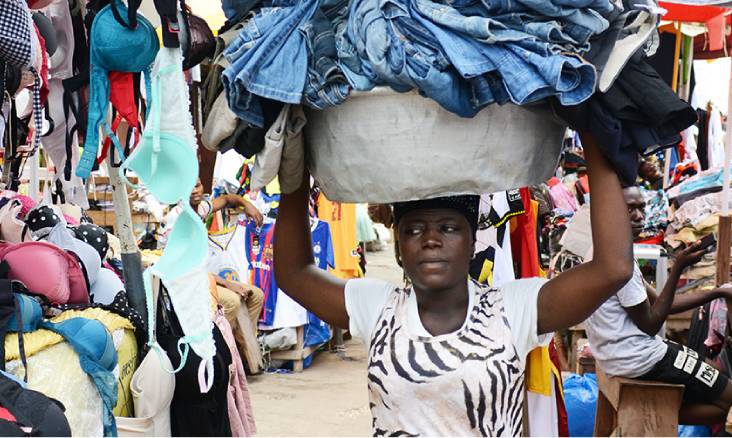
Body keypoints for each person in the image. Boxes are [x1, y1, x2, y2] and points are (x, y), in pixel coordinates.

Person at [274, 134, 635, 436]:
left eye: (449, 228)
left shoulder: (512, 309)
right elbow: (293, 273)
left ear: (471, 240)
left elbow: (613, 269)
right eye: (414, 230)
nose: (431, 239)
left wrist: (593, 137)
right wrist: (296, 164)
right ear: (399, 243)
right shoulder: (380, 307)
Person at [585, 186, 732, 425]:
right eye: (629, 209)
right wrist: (678, 269)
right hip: (639, 358)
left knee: (705, 370)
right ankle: (649, 413)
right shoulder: (618, 262)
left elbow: (664, 304)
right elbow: (652, 324)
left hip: (621, 356)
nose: (639, 217)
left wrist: (717, 292)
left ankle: (651, 411)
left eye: (641, 208)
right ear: (610, 212)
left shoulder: (601, 251)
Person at [161, 180, 266, 334]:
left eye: (197, 185)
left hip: (201, 277)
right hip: (185, 282)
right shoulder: (178, 220)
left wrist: (247, 204)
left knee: (256, 296)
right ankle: (219, 347)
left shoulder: (201, 208)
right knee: (232, 301)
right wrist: (226, 283)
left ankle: (242, 344)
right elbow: (186, 268)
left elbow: (226, 199)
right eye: (188, 187)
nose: (194, 191)